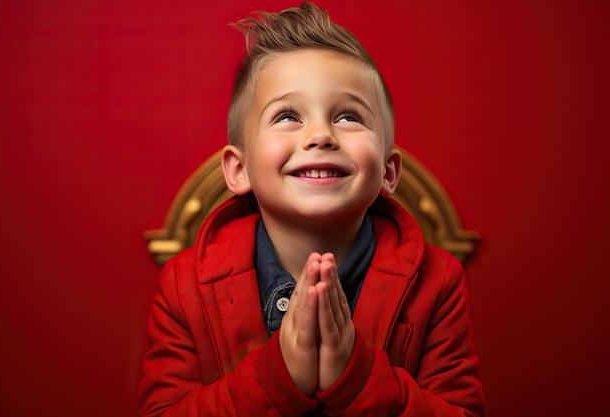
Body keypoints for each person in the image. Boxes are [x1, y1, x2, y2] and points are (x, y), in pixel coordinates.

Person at [137, 3, 485, 416]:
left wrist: (355, 378)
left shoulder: (438, 280)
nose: (321, 135)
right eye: (287, 115)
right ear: (239, 169)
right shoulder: (184, 285)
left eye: (348, 116)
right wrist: (277, 375)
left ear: (388, 173)